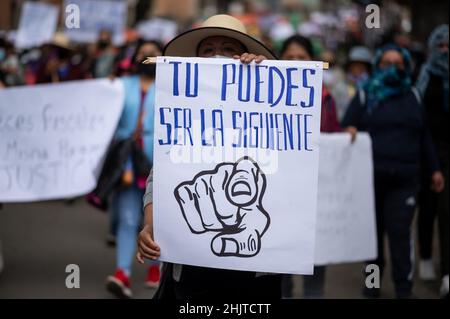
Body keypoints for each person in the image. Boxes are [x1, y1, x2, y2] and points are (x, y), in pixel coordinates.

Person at [136, 14, 282, 299]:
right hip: (191, 264)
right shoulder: (184, 111)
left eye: (229, 49)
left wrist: (264, 84)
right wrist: (151, 226)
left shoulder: (268, 103)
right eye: (208, 50)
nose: (217, 56)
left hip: (255, 269)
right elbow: (162, 174)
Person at [342, 44, 445, 299]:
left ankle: (403, 288)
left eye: (398, 63)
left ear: (406, 66)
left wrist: (434, 170)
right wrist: (350, 131)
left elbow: (424, 137)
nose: (392, 68)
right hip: (370, 179)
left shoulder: (413, 95)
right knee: (372, 236)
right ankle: (373, 283)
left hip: (406, 181)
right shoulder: (366, 93)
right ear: (378, 65)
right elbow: (347, 125)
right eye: (386, 63)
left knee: (400, 234)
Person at [279, 34, 341, 298]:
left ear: (313, 61)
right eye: (289, 58)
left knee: (315, 261)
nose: (295, 62)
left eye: (301, 58)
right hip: (278, 194)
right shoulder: (263, 95)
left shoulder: (326, 98)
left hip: (316, 194)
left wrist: (346, 137)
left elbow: (333, 137)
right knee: (280, 263)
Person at [105, 40, 164, 299]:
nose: (147, 56)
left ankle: (156, 268)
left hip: (160, 164)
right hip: (128, 163)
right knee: (129, 220)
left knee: (160, 222)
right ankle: (122, 273)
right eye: (143, 52)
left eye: (154, 52)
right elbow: (113, 127)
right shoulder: (121, 87)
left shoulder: (173, 88)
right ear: (135, 57)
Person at [415, 24, 449, 297]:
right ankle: (425, 256)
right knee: (427, 209)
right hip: (428, 150)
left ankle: (447, 271)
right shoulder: (425, 75)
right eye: (441, 46)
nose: (445, 51)